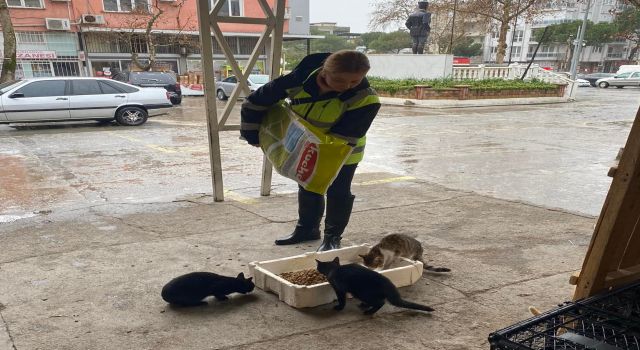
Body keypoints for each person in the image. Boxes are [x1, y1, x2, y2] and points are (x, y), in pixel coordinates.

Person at [240, 50, 381, 252]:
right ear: (324, 71)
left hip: (342, 150)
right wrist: (253, 137)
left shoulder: (366, 99)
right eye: (340, 80)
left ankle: (332, 238)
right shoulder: (297, 80)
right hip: (304, 142)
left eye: (355, 81)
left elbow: (344, 136)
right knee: (307, 184)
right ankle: (307, 229)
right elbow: (255, 102)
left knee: (337, 190)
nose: (347, 86)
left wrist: (310, 155)